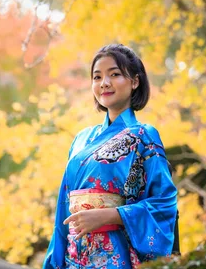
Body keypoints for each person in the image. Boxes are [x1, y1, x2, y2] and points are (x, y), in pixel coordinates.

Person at [43, 44, 178, 269]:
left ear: (135, 81)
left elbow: (165, 203)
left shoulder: (144, 135)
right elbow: (62, 208)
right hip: (73, 254)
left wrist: (110, 215)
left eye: (114, 74)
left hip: (115, 255)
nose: (104, 82)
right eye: (97, 77)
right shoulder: (81, 139)